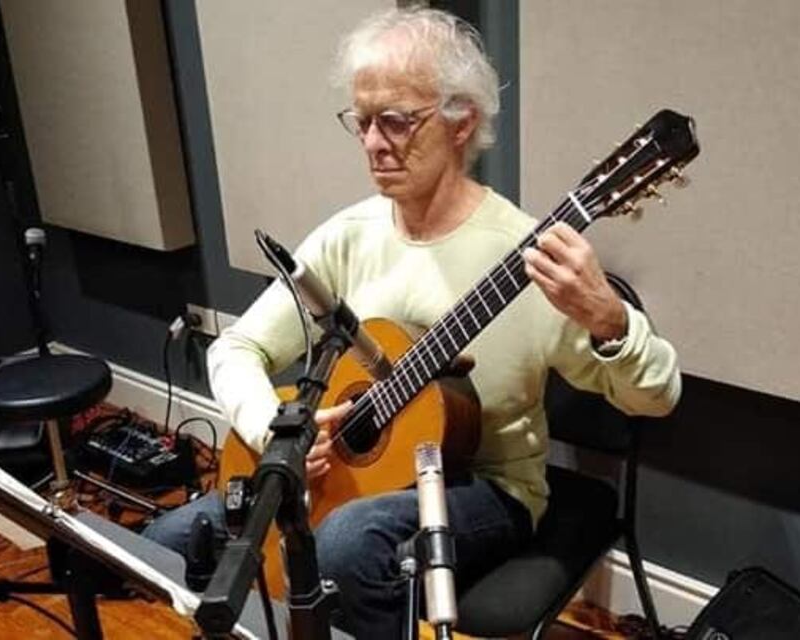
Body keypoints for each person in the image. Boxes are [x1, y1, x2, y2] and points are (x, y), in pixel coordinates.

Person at [144, 6, 681, 637]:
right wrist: (272, 431)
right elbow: (236, 349)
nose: (373, 143)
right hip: (346, 478)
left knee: (346, 546)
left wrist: (611, 321)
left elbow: (656, 399)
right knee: (166, 538)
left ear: (462, 122)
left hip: (485, 486)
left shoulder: (527, 258)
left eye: (395, 120)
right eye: (362, 121)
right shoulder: (348, 236)